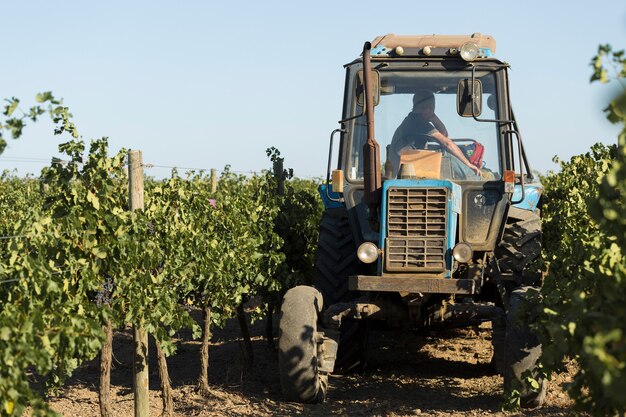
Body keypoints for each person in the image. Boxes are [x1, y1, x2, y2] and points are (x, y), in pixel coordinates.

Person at [389, 90, 481, 178]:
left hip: (405, 169)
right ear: (430, 106)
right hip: (405, 170)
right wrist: (468, 164)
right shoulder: (418, 122)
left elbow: (444, 135)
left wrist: (433, 117)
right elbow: (447, 143)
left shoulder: (411, 121)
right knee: (445, 155)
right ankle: (475, 178)